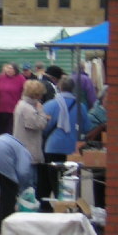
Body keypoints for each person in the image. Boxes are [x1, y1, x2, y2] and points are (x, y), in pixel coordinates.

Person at [39, 76, 92, 210]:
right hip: (72, 149)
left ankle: (57, 205)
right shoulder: (81, 107)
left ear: (60, 88)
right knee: (70, 179)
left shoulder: (50, 105)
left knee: (52, 179)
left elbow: (43, 127)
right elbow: (87, 128)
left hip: (52, 147)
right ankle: (68, 205)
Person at [12, 80, 49, 187]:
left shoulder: (21, 104)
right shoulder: (29, 109)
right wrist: (41, 112)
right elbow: (38, 125)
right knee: (30, 185)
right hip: (29, 151)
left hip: (22, 148)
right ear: (37, 94)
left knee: (26, 183)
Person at [0, 63, 26, 135]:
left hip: (14, 110)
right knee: (0, 131)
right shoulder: (0, 78)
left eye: (11, 68)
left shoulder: (21, 79)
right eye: (8, 68)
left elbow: (25, 93)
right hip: (1, 109)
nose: (9, 70)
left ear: (15, 70)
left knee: (10, 131)